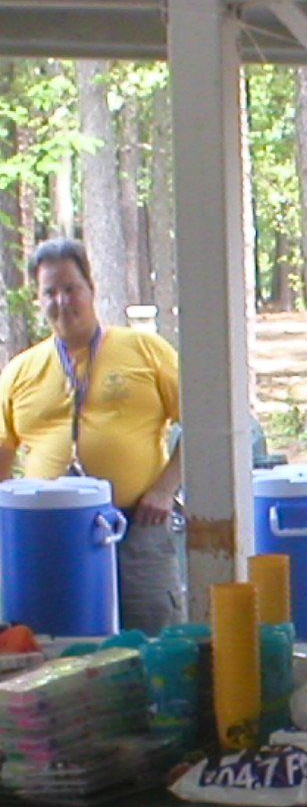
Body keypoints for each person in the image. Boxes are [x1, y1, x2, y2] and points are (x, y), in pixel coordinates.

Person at [0, 238, 183, 634]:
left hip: (138, 524)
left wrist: (165, 489)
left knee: (153, 635)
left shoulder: (146, 350)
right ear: (38, 298)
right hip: (49, 535)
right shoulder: (20, 371)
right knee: (57, 640)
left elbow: (202, 426)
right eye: (50, 292)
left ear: (91, 290)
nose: (61, 302)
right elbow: (3, 452)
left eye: (70, 289)